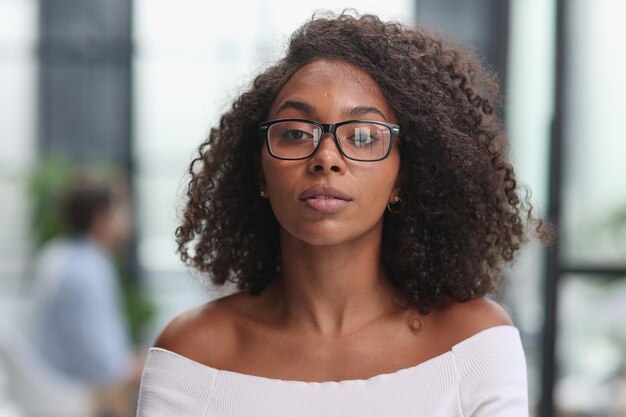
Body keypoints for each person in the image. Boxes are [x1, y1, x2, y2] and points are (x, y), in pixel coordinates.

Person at [136, 12, 550, 417]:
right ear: (259, 171)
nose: (326, 159)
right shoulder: (194, 354)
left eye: (365, 136)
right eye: (296, 133)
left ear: (402, 177)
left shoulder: (473, 343)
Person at [30, 177, 141, 417]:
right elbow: (106, 366)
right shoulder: (90, 269)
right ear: (102, 219)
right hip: (80, 399)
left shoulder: (54, 254)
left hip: (49, 391)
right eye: (121, 212)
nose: (128, 221)